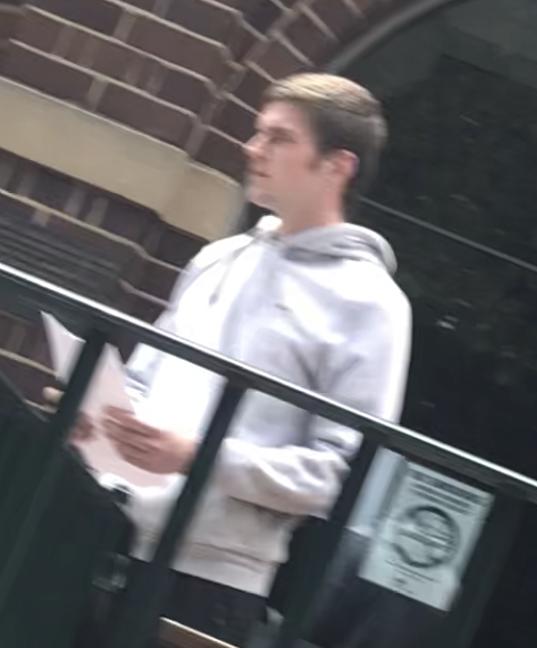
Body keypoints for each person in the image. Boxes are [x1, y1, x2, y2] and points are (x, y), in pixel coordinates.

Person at [77, 73, 412, 646]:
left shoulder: (373, 304)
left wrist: (197, 457)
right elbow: (143, 379)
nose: (252, 149)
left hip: (209, 581)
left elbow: (335, 475)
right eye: (258, 133)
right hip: (99, 529)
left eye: (278, 139)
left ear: (337, 166)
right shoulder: (219, 259)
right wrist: (101, 419)